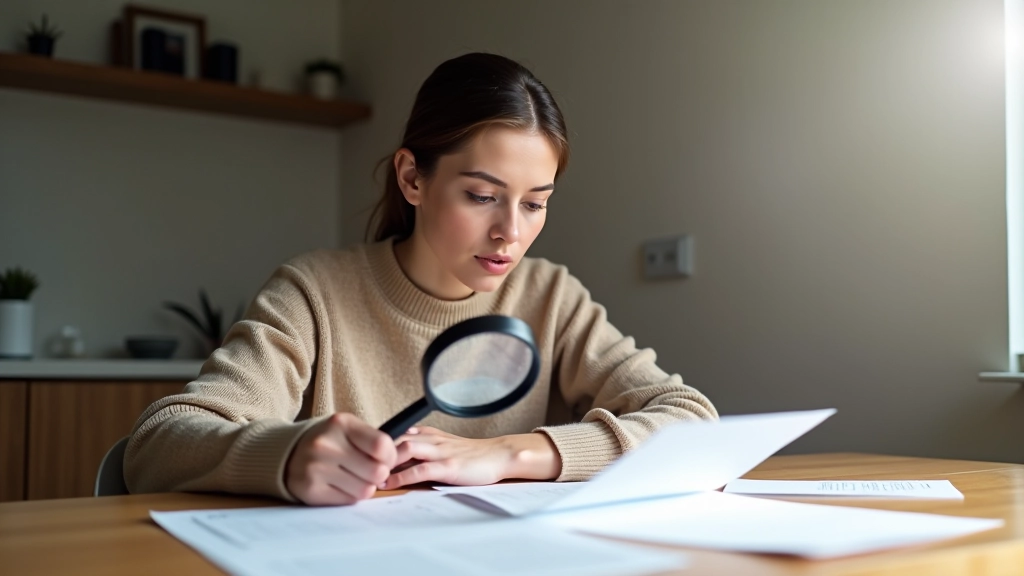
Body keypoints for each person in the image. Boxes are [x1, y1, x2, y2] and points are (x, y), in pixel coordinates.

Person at [125, 52, 718, 505]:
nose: (509, 232)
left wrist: (509, 453)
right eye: (483, 196)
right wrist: (285, 455)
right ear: (412, 179)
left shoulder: (551, 297)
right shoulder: (314, 293)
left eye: (535, 203)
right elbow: (159, 443)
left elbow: (692, 419)